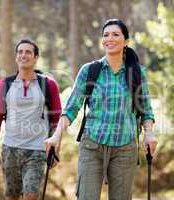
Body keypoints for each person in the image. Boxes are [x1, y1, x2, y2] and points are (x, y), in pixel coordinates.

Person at [44, 18, 158, 200]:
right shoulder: (89, 71)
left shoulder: (136, 73)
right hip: (92, 146)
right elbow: (71, 108)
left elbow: (146, 111)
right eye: (106, 35)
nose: (109, 39)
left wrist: (149, 134)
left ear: (126, 41)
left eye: (115, 34)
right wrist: (56, 135)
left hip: (125, 147)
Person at [0, 39, 62, 200]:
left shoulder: (48, 85)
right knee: (12, 196)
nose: (24, 55)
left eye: (28, 52)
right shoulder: (5, 84)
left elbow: (57, 118)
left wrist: (56, 147)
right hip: (10, 149)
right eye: (20, 52)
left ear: (36, 57)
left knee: (30, 195)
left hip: (37, 150)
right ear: (16, 57)